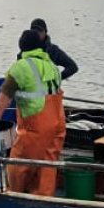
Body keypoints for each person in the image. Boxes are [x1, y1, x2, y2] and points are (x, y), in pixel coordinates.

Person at [0, 29, 63, 196]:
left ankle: (15, 196)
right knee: (47, 164)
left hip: (35, 126)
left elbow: (5, 95)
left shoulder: (21, 67)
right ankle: (44, 198)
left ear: (22, 46)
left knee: (18, 164)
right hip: (57, 124)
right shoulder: (52, 66)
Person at [22, 18, 76, 158]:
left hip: (50, 99)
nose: (37, 33)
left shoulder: (53, 50)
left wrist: (57, 79)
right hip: (32, 100)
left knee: (51, 135)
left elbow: (73, 67)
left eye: (40, 31)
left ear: (46, 32)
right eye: (34, 31)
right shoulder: (24, 51)